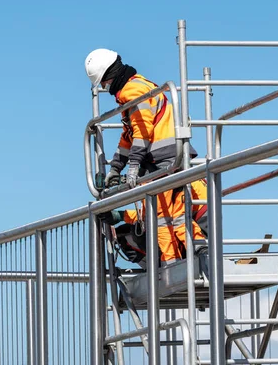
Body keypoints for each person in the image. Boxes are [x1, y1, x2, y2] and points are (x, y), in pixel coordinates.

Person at [84, 48, 197, 188]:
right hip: (158, 156)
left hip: (165, 157)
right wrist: (116, 168)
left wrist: (133, 166)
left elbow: (142, 131)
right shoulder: (133, 88)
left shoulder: (133, 91)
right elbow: (128, 136)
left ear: (110, 74)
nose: (102, 86)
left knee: (161, 206)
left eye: (102, 82)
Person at [101, 178, 208, 266]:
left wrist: (121, 216)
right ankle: (167, 264)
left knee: (138, 232)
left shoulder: (156, 182)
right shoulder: (169, 175)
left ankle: (162, 266)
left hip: (196, 226)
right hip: (201, 219)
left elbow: (159, 216)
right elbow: (151, 215)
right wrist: (122, 216)